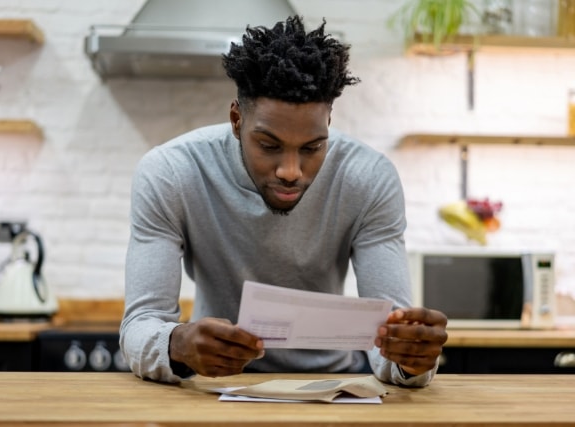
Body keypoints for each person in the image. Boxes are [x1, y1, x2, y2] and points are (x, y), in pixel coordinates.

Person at [121, 15, 448, 387]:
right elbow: (139, 325)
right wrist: (177, 344)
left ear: (329, 121)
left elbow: (391, 345)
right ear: (236, 120)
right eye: (269, 146)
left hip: (335, 386)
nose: (291, 171)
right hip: (216, 385)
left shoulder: (368, 178)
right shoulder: (172, 173)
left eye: (312, 147)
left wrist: (412, 359)